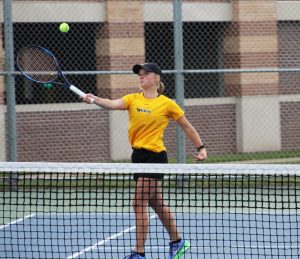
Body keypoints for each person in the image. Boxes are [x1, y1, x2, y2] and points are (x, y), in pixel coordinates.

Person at [82, 63, 207, 259]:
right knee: (156, 203)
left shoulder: (167, 104)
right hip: (138, 157)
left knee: (138, 202)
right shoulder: (132, 99)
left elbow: (187, 126)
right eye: (139, 74)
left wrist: (201, 148)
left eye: (145, 74)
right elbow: (112, 103)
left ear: (156, 78)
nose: (141, 77)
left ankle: (138, 253)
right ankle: (178, 241)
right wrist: (94, 99)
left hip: (155, 157)